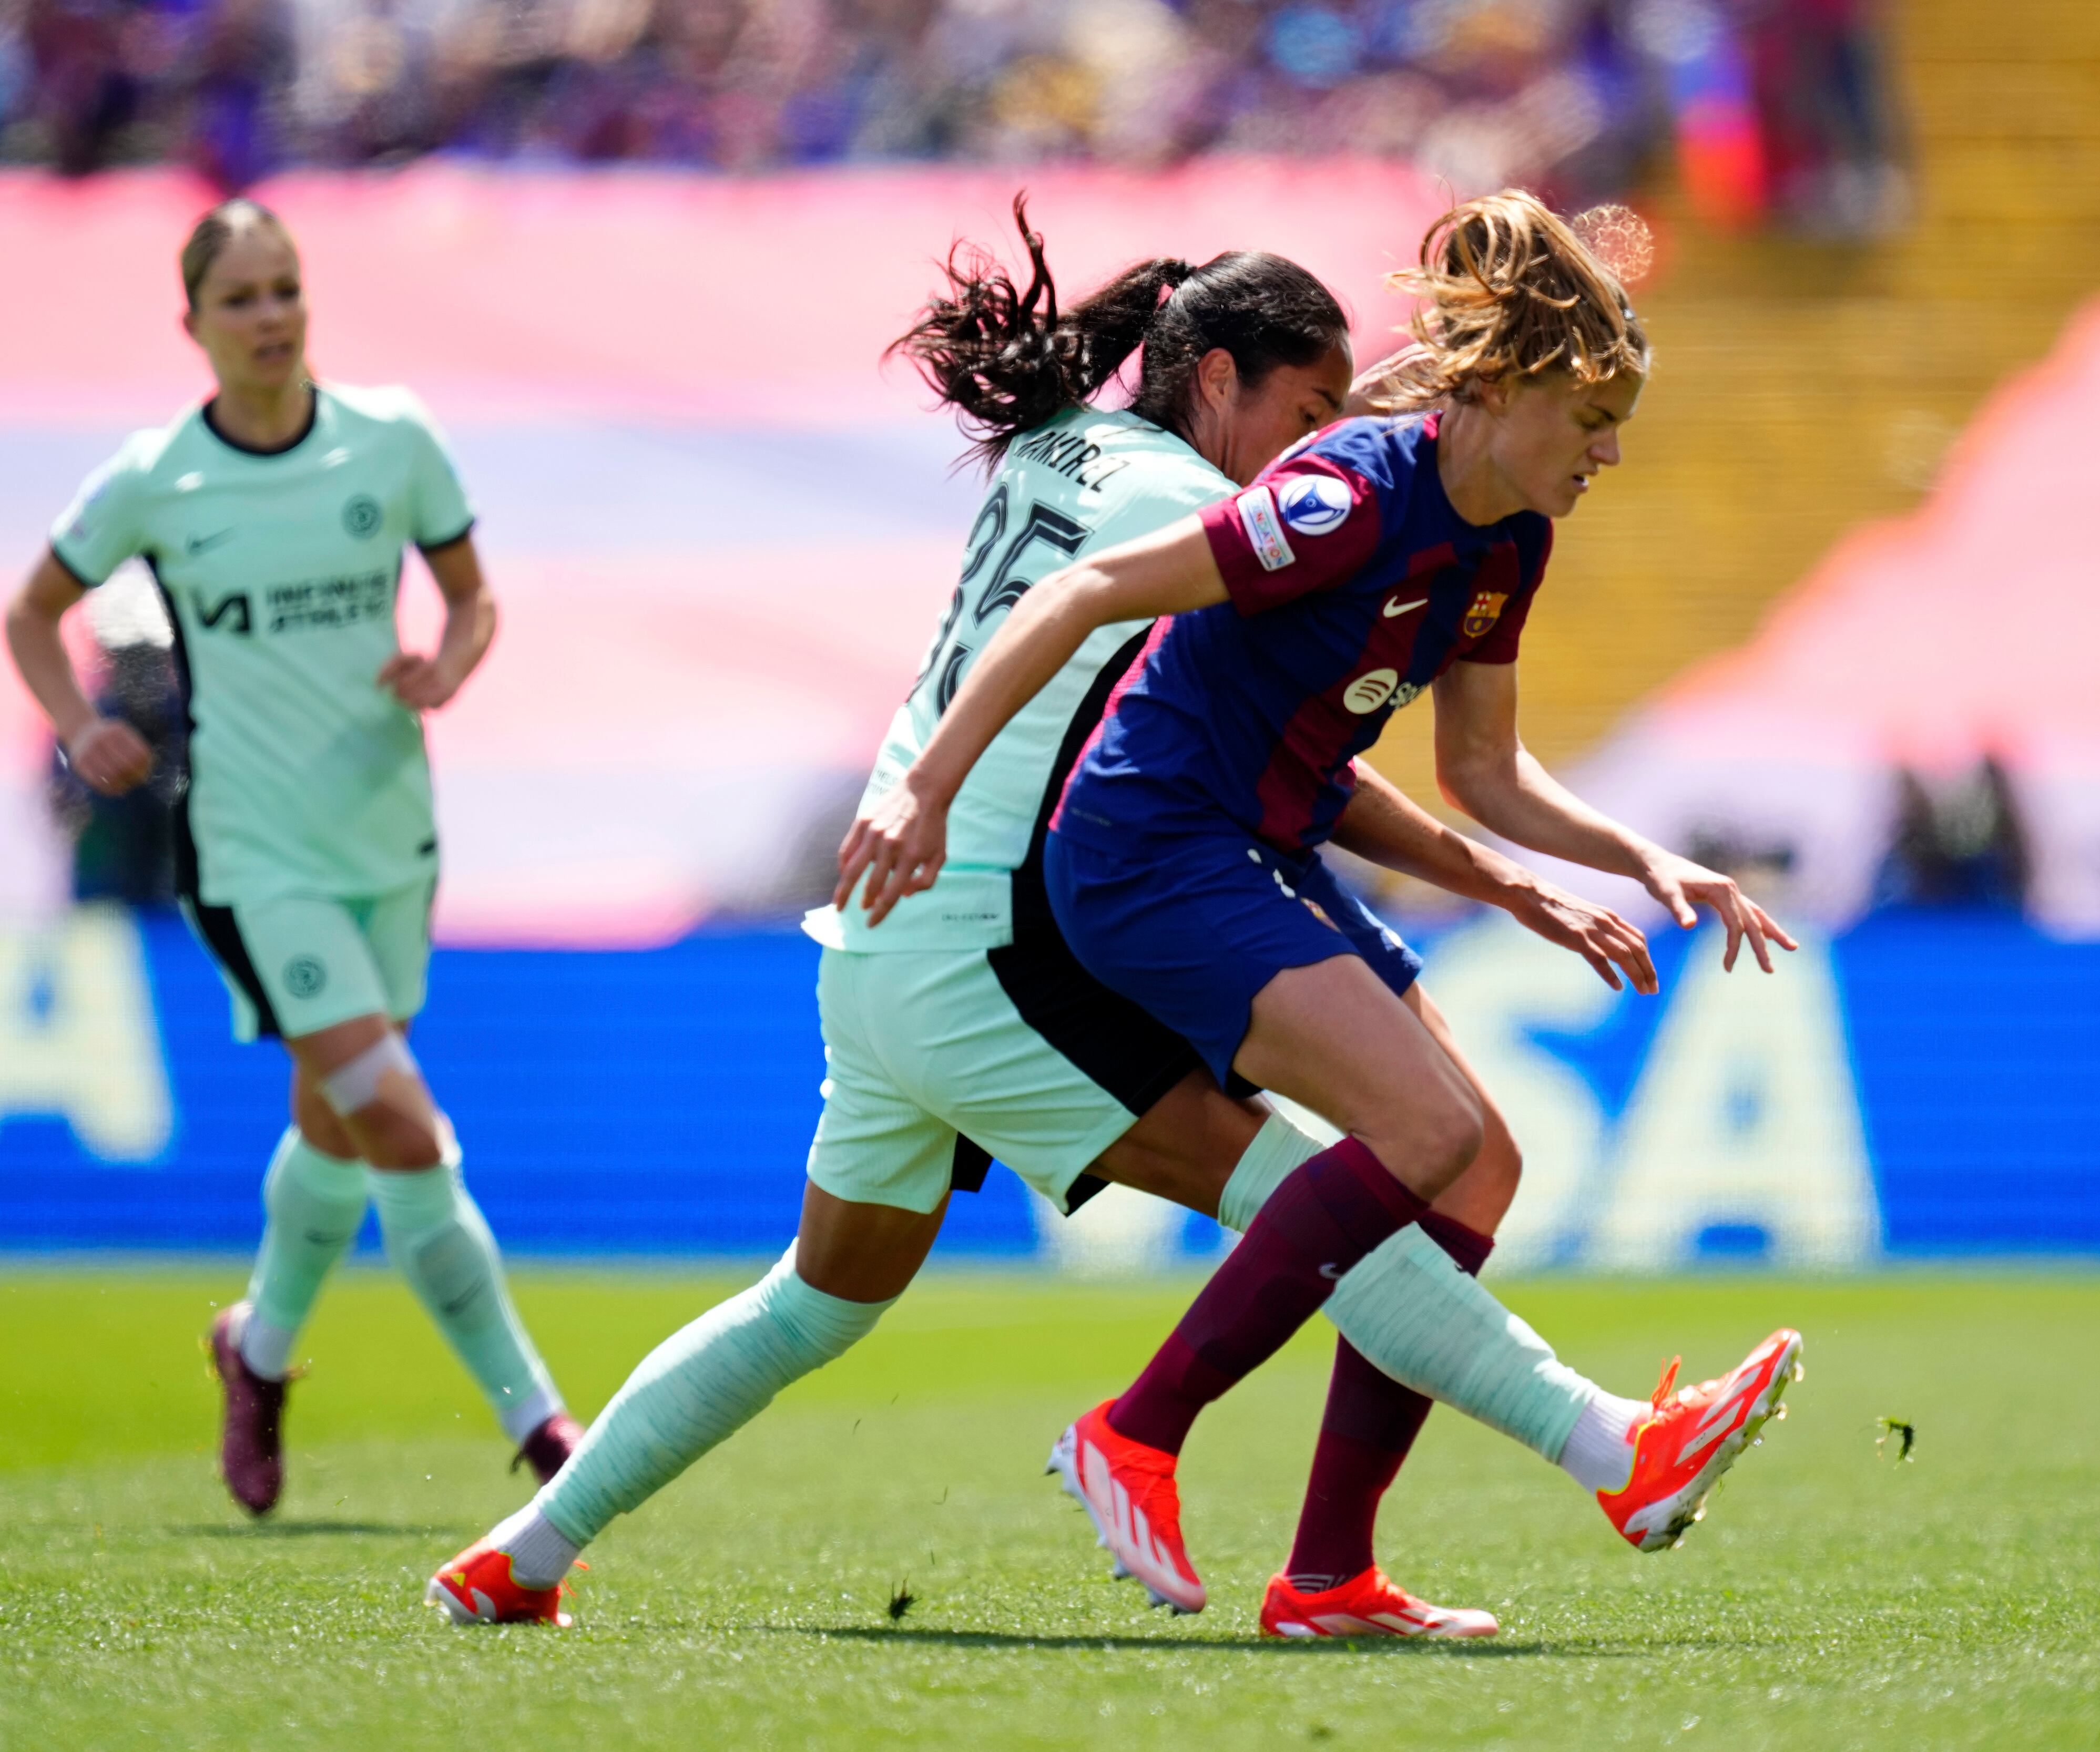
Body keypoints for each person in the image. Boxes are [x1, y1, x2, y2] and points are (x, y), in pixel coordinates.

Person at [428, 203, 1789, 1640]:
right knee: (1345, 1183)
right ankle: (1587, 1447)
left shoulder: (1055, 453)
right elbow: (1228, 708)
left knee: (815, 1301)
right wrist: (941, 791)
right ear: (1219, 385)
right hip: (989, 947)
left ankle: (527, 1543)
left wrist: (1503, 867)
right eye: (1306, 409)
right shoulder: (1201, 514)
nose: (1319, 438)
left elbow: (1291, 739)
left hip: (886, 938)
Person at [841, 189, 1806, 1617]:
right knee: (1427, 1128)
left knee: (1477, 1168)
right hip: (1145, 847)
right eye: (1591, 418)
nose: (1606, 454)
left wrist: (1636, 858)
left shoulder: (1507, 544)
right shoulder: (1343, 493)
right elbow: (1088, 593)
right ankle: (1135, 1430)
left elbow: (1484, 768)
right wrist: (925, 786)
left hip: (1255, 849)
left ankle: (1329, 1570)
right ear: (1508, 389)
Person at [3, 199, 578, 1517]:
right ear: (194, 325)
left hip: (388, 836)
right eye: (241, 299)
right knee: (401, 1124)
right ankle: (544, 1421)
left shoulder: (394, 438)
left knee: (335, 1120)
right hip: (250, 853)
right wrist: (80, 722)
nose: (269, 318)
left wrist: (448, 661)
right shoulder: (157, 477)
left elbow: (475, 595)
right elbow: (34, 610)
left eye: (285, 290)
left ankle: (254, 1349)